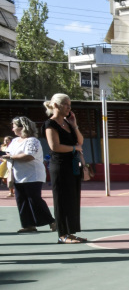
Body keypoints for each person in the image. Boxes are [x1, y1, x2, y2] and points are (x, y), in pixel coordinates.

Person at [44, 93, 87, 244]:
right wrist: (75, 148)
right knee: (62, 199)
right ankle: (62, 235)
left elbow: (80, 140)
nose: (69, 107)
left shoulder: (68, 123)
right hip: (60, 166)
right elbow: (54, 146)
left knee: (73, 199)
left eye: (70, 104)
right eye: (66, 104)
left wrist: (74, 125)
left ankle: (70, 232)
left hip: (72, 165)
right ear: (56, 105)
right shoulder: (50, 125)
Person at [7, 117, 55, 233]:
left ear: (22, 127)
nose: (12, 129)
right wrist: (10, 174)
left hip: (33, 175)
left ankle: (52, 222)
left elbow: (29, 156)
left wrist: (11, 157)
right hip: (18, 175)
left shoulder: (32, 141)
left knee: (34, 199)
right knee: (21, 200)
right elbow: (8, 154)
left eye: (14, 126)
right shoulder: (14, 141)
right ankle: (28, 224)